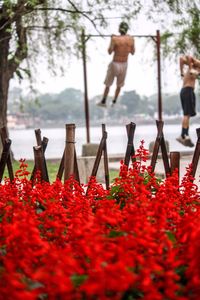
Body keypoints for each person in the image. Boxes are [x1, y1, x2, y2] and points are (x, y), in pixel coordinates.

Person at [97, 21, 135, 107]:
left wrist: (112, 40)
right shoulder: (131, 39)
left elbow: (109, 51)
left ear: (119, 29)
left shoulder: (115, 39)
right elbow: (133, 52)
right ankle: (114, 101)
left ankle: (103, 101)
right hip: (124, 63)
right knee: (119, 84)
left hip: (115, 63)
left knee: (108, 83)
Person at [176, 55, 200, 147]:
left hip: (187, 91)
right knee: (187, 114)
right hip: (187, 90)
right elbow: (183, 58)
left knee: (188, 114)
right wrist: (183, 71)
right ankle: (183, 135)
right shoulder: (193, 67)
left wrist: (189, 68)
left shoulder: (195, 70)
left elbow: (184, 59)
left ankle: (184, 134)